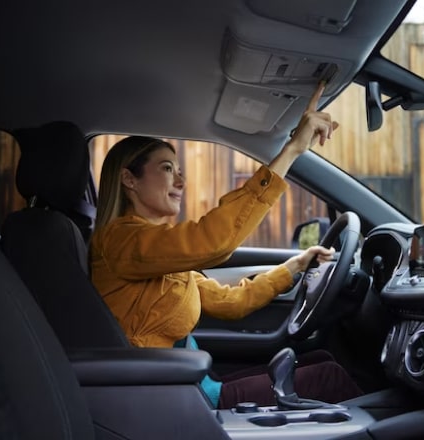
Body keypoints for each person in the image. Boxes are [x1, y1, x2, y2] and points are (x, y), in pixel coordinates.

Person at [89, 82, 364, 409]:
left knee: (321, 359)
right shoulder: (121, 241)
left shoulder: (155, 254)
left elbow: (231, 302)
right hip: (169, 395)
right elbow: (215, 241)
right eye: (166, 169)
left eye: (179, 171)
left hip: (191, 385)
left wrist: (293, 268)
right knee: (329, 378)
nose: (181, 181)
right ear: (129, 179)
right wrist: (292, 149)